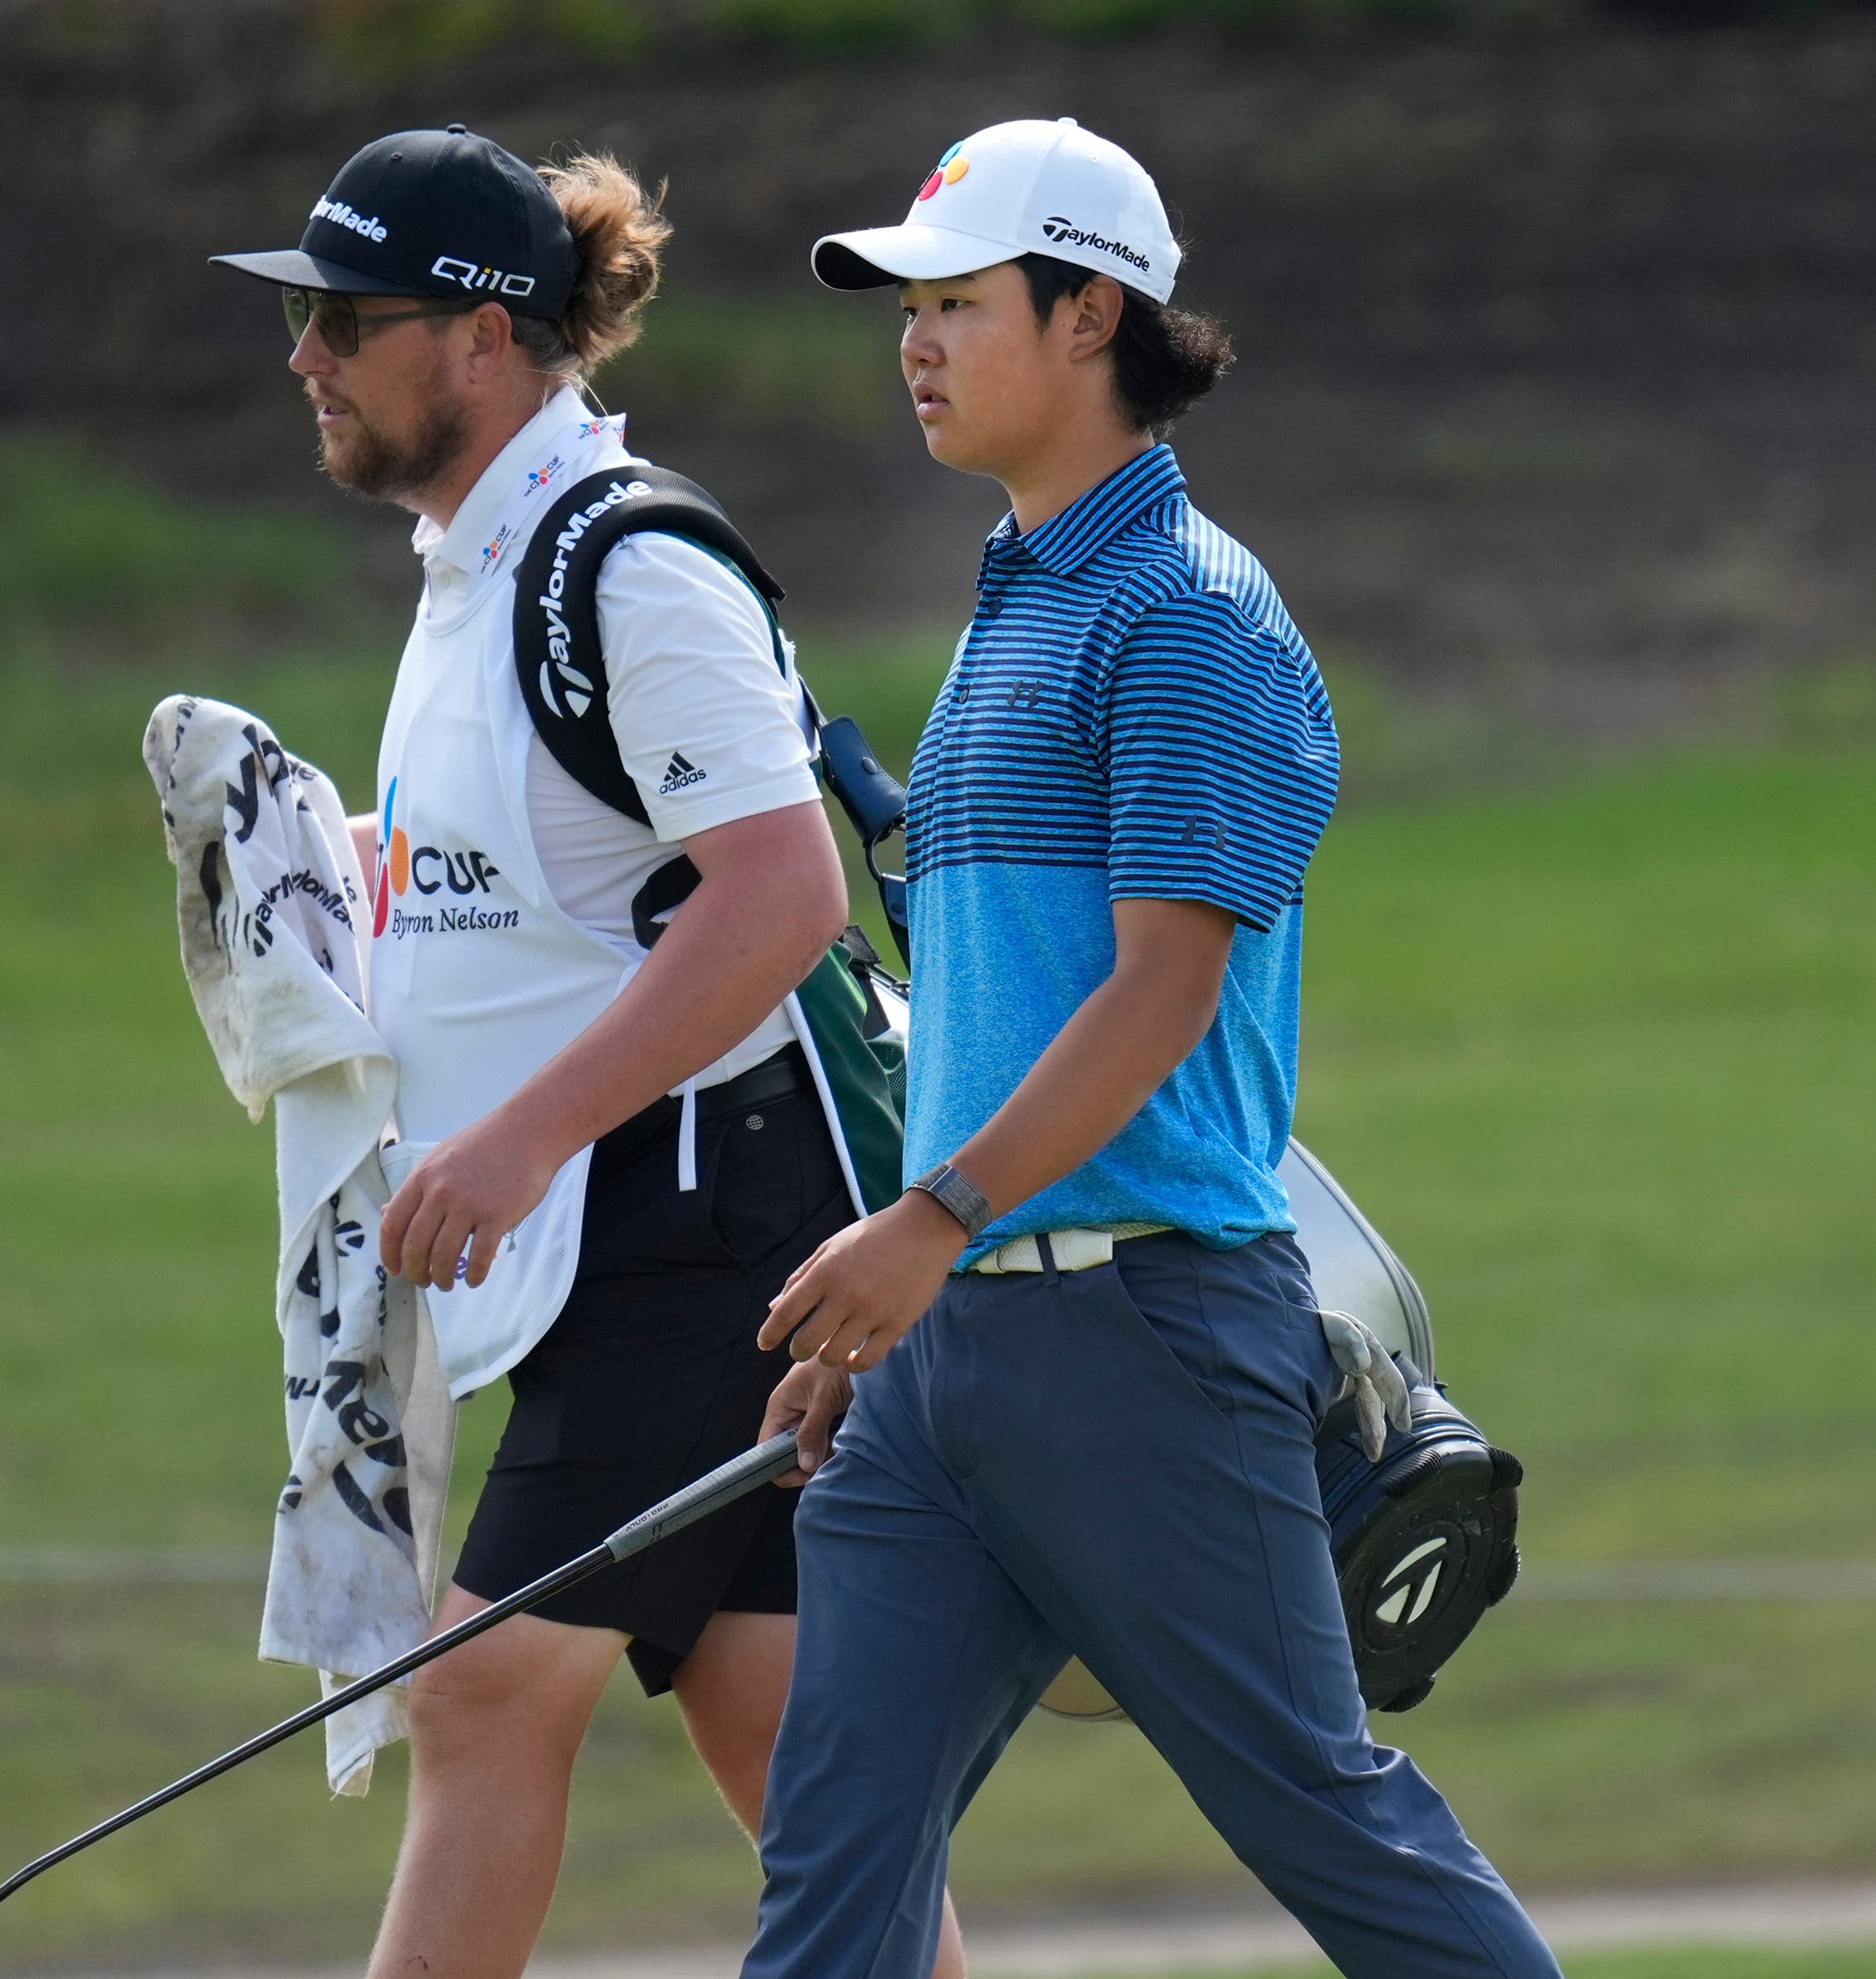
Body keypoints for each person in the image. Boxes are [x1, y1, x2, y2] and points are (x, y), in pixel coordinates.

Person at [744, 120, 1568, 1979]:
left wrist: (927, 1223)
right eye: (909, 307)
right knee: (833, 1866)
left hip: (1146, 1337)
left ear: (1092, 310)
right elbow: (991, 1013)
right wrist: (905, 1297)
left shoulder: (1193, 616)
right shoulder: (1014, 602)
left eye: (958, 302)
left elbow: (1160, 996)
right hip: (954, 1358)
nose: (916, 341)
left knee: (1328, 1824)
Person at [209, 126, 965, 1979]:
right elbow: (538, 902)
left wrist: (523, 1138)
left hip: (699, 1232)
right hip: (621, 1243)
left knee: (478, 1706)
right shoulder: (471, 567)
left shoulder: (622, 568)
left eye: (343, 316)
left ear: (479, 335)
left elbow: (780, 896)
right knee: (786, 1750)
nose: (303, 351)